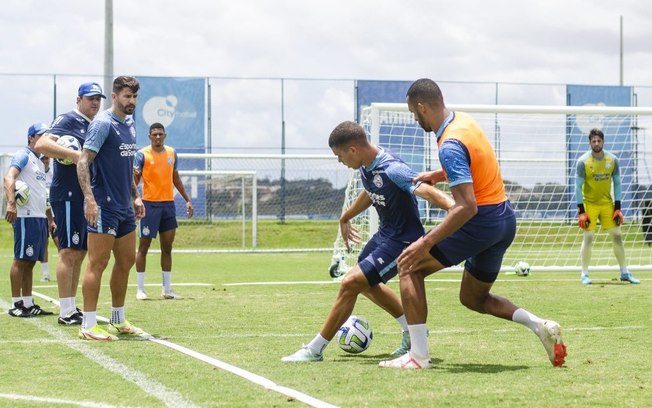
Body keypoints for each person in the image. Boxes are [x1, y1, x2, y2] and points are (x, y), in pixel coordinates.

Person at [378, 78, 567, 369]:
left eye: (414, 114)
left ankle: (417, 357)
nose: (415, 120)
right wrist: (439, 175)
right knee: (473, 298)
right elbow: (475, 161)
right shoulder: (463, 121)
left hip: (482, 221)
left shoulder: (449, 144)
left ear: (421, 106)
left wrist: (424, 242)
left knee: (409, 265)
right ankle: (539, 325)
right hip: (504, 220)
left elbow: (466, 207)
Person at [282, 120, 455, 362]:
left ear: (352, 149)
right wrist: (346, 216)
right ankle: (411, 330)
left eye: (339, 156)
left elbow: (423, 188)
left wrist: (453, 208)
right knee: (364, 283)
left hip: (405, 240)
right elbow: (371, 190)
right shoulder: (366, 165)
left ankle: (314, 349)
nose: (339, 162)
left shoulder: (391, 168)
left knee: (350, 282)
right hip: (387, 234)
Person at [76, 76, 144, 341]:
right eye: (127, 97)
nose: (132, 102)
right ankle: (89, 325)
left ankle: (118, 319)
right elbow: (83, 162)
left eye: (135, 97)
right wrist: (89, 199)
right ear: (114, 96)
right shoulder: (103, 124)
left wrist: (136, 196)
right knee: (98, 263)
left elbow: (125, 167)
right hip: (103, 205)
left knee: (126, 261)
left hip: (125, 206)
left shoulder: (130, 124)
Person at [34, 82, 105, 325]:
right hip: (67, 194)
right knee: (68, 251)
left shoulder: (95, 124)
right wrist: (72, 155)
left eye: (98, 99)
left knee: (81, 251)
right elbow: (41, 144)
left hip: (85, 196)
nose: (95, 103)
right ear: (79, 100)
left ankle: (71, 307)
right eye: (90, 98)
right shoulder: (68, 119)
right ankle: (65, 311)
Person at [133, 123, 194, 300]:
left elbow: (175, 178)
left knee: (167, 248)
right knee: (143, 247)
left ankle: (166, 290)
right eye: (154, 135)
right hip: (149, 206)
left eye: (160, 134)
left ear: (165, 136)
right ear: (149, 137)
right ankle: (141, 289)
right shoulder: (141, 154)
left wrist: (187, 199)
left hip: (168, 206)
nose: (157, 137)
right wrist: (132, 200)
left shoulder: (172, 153)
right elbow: (134, 180)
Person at [575, 128, 640, 285]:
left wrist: (618, 207)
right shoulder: (582, 162)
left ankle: (624, 272)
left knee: (617, 236)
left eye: (599, 141)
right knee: (588, 237)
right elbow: (577, 187)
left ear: (603, 141)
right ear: (589, 143)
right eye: (593, 141)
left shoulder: (613, 160)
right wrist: (581, 211)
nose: (596, 143)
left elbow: (617, 183)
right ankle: (584, 274)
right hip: (589, 204)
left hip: (607, 204)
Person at [4, 123, 55, 317]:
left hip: (39, 217)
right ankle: (16, 304)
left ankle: (28, 302)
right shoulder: (23, 155)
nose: (45, 141)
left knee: (31, 261)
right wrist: (11, 203)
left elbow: (43, 194)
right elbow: (9, 178)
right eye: (41, 136)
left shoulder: (40, 162)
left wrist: (49, 219)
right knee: (21, 260)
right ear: (31, 138)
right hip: (26, 217)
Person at [39, 154, 57, 282]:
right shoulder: (36, 174)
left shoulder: (54, 174)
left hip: (55, 214)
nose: (45, 161)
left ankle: (65, 269)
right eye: (43, 158)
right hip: (40, 213)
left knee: (59, 241)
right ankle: (45, 274)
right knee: (44, 243)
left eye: (47, 158)